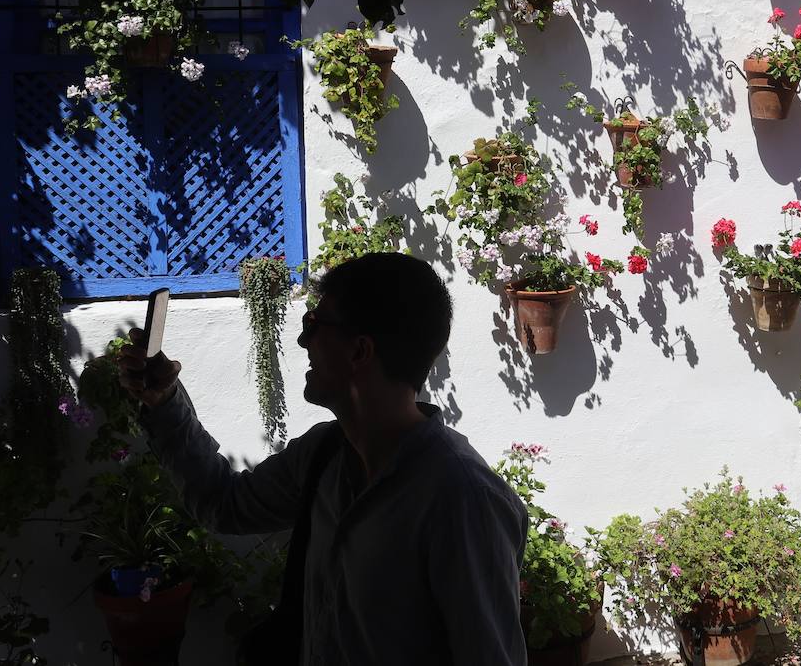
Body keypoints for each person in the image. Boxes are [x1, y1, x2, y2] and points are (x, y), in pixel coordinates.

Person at [116, 252, 529, 666]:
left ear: (359, 351)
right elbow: (224, 504)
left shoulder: (463, 499)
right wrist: (163, 401)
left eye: (313, 324)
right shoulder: (324, 454)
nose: (303, 341)